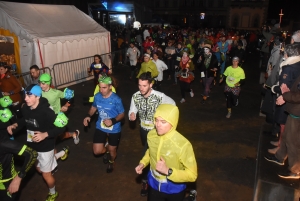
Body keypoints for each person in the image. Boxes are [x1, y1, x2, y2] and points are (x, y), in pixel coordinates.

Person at [7, 84, 67, 201]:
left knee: (46, 174)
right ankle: (61, 154)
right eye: (25, 95)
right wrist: (16, 124)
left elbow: (62, 127)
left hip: (45, 147)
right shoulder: (26, 108)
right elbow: (25, 119)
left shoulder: (47, 112)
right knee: (39, 169)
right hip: (32, 145)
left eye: (29, 96)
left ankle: (53, 192)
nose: (25, 98)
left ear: (38, 96)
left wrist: (45, 134)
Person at [135, 104, 197, 201]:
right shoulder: (151, 135)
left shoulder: (183, 145)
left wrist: (168, 171)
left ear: (173, 122)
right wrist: (143, 163)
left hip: (174, 189)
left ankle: (191, 197)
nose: (158, 125)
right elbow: (150, 151)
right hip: (154, 185)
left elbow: (192, 175)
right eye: (156, 120)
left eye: (163, 122)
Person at [129, 72, 175, 196]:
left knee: (148, 154)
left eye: (144, 85)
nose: (141, 88)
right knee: (152, 154)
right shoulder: (135, 96)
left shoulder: (160, 96)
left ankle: (146, 181)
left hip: (156, 132)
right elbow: (132, 110)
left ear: (151, 84)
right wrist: (132, 115)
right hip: (143, 130)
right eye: (139, 85)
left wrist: (164, 120)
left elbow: (173, 105)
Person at [83, 76, 124, 173]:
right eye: (100, 87)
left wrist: (113, 121)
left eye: (104, 87)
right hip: (100, 126)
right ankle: (107, 149)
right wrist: (88, 115)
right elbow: (93, 108)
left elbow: (122, 114)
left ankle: (111, 161)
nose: (101, 90)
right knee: (97, 151)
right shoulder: (97, 96)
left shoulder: (116, 99)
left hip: (114, 128)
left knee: (112, 151)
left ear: (110, 86)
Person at [38, 73, 79, 144]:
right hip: (44, 117)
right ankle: (74, 134)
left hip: (55, 117)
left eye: (43, 83)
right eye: (40, 83)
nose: (41, 85)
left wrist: (66, 105)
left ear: (48, 83)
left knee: (52, 139)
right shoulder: (39, 92)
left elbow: (70, 96)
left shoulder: (56, 92)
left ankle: (56, 154)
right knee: (57, 136)